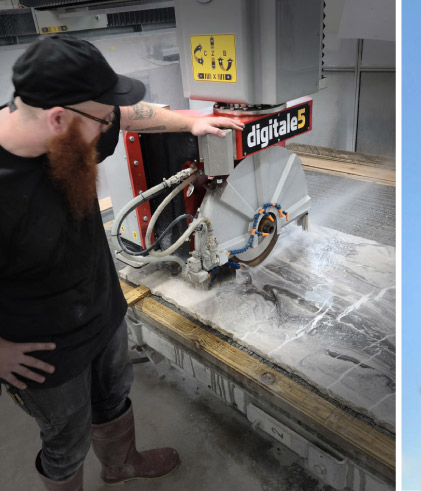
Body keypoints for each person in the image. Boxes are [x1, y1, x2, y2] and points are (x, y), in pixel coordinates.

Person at [0, 35, 244, 490]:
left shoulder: (73, 123)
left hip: (101, 307)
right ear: (58, 120)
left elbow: (128, 114)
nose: (111, 127)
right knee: (65, 438)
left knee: (113, 395)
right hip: (42, 350)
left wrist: (190, 123)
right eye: (102, 119)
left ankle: (120, 464)